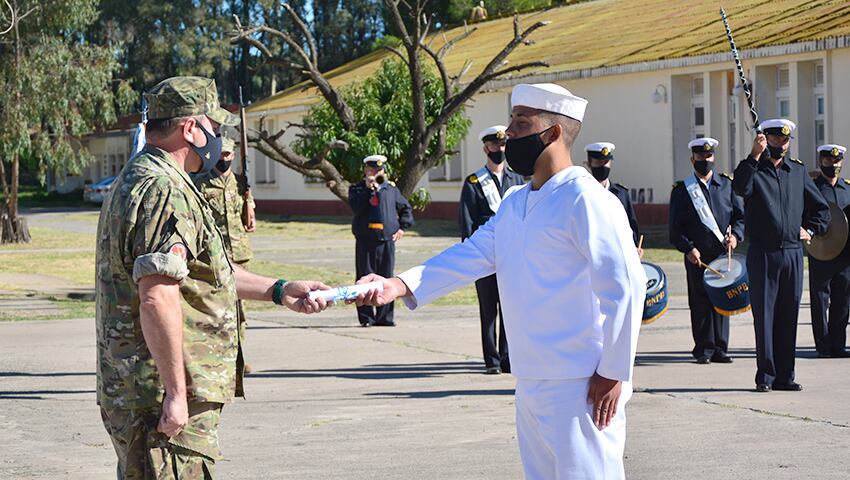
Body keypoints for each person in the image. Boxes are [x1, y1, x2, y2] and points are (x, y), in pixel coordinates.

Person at [355, 83, 645, 479]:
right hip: (530, 378)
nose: (508, 132)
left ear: (553, 133)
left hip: (581, 384)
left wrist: (614, 371)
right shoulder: (515, 202)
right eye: (510, 121)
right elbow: (471, 254)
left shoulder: (587, 199)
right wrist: (399, 284)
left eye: (521, 123)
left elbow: (626, 286)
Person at [95, 76, 330, 479]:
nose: (218, 138)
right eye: (214, 128)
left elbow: (205, 274)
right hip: (158, 398)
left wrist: (279, 290)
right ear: (191, 128)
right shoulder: (164, 189)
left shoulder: (143, 177)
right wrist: (175, 393)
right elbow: (157, 296)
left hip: (143, 391)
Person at [732, 118, 830, 392]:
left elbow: (820, 209)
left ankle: (786, 376)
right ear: (766, 139)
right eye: (776, 140)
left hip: (792, 254)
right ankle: (766, 376)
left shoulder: (797, 172)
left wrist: (811, 229)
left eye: (785, 141)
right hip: (763, 254)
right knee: (764, 318)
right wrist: (753, 155)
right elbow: (739, 188)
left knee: (789, 316)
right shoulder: (754, 170)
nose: (781, 145)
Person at [669, 137, 745, 364]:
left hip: (722, 254)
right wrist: (688, 248)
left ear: (714, 158)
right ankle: (704, 348)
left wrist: (735, 236)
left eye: (708, 156)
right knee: (700, 303)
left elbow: (739, 217)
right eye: (700, 157)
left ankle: (721, 348)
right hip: (697, 257)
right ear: (692, 159)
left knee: (722, 301)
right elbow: (675, 227)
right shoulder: (682, 190)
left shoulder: (727, 185)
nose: (705, 160)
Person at [459, 125, 525, 374]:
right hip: (486, 256)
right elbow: (466, 223)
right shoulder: (474, 182)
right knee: (488, 309)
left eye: (503, 144)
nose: (499, 149)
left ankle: (508, 357)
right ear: (485, 148)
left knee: (509, 307)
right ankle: (492, 360)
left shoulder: (517, 180)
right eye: (495, 145)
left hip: (511, 256)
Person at [193, 132, 256, 376]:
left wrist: (251, 213)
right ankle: (216, 356)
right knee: (216, 308)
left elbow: (249, 220)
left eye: (228, 154)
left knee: (240, 311)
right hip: (215, 256)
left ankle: (239, 358)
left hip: (240, 253)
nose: (224, 158)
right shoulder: (201, 183)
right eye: (220, 154)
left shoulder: (242, 184)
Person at [348, 154, 414, 327]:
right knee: (364, 278)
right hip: (366, 240)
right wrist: (369, 190)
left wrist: (402, 228)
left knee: (386, 278)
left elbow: (405, 208)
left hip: (386, 241)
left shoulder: (390, 189)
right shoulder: (357, 189)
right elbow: (356, 208)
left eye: (379, 170)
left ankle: (385, 317)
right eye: (372, 169)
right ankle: (367, 318)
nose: (375, 172)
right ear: (365, 170)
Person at [808, 144, 850, 358]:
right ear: (820, 162)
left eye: (836, 162)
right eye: (827, 161)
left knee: (842, 301)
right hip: (821, 253)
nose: (832, 165)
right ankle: (823, 346)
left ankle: (838, 345)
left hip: (844, 255)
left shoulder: (848, 189)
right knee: (820, 301)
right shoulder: (812, 189)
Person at [585, 142, 642, 257]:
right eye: (598, 162)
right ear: (589, 164)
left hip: (619, 254)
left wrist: (636, 247)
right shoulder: (583, 193)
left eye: (606, 162)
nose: (603, 166)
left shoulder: (621, 193)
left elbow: (631, 225)